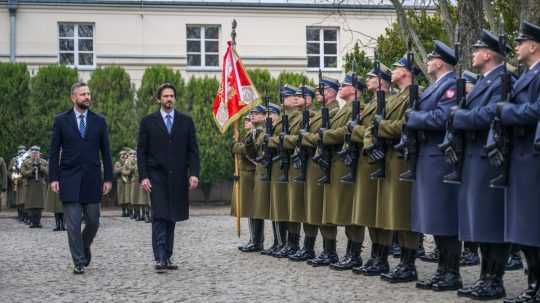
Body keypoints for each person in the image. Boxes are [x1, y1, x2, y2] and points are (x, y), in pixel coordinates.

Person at [451, 29, 513, 300]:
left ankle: (494, 280)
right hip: (474, 157)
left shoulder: (502, 80)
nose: (472, 54)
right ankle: (485, 277)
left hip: (488, 158)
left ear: (488, 54)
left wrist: (460, 117)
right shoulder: (484, 82)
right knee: (479, 221)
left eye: (476, 50)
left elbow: (492, 113)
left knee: (490, 221)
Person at [406, 41, 461, 291]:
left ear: (440, 62)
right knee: (435, 217)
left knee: (444, 216)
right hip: (427, 157)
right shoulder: (435, 86)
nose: (427, 62)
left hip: (440, 157)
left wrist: (415, 118)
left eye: (430, 58)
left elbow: (443, 117)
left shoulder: (450, 86)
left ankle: (452, 272)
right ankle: (442, 270)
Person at [494, 21, 540, 303]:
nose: (517, 47)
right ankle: (533, 284)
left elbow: (536, 110)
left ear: (534, 46)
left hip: (533, 158)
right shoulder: (526, 75)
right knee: (524, 227)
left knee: (533, 225)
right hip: (521, 158)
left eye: (521, 42)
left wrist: (508, 112)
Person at [49, 81, 113, 274]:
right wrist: (54, 178)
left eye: (88, 93)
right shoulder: (61, 121)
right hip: (69, 179)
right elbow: (54, 152)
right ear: (73, 98)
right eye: (83, 94)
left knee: (93, 222)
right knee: (73, 225)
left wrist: (108, 178)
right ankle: (78, 261)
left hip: (92, 179)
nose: (87, 97)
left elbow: (106, 152)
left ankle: (83, 247)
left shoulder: (99, 121)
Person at [136, 83, 200, 272]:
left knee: (172, 216)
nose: (169, 99)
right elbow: (141, 151)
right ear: (159, 99)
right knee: (160, 215)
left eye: (172, 96)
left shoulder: (185, 121)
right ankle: (160, 257)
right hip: (156, 176)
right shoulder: (148, 122)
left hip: (178, 177)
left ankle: (168, 255)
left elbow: (193, 151)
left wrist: (194, 173)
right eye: (165, 96)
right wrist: (144, 176)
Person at [350, 63, 393, 276]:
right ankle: (375, 256)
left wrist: (354, 129)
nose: (367, 81)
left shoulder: (385, 102)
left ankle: (381, 257)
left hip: (376, 160)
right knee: (370, 212)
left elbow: (373, 131)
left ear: (381, 81)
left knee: (379, 212)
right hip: (366, 161)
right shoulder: (371, 103)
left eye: (371, 77)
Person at [323, 75, 366, 271]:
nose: (341, 87)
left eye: (346, 85)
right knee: (344, 209)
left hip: (349, 163)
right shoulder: (344, 109)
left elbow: (345, 132)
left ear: (355, 89)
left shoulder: (359, 108)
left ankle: (354, 253)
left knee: (350, 210)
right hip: (338, 162)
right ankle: (349, 252)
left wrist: (326, 135)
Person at [233, 113, 263, 252]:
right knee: (250, 209)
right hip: (246, 174)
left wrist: (237, 146)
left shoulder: (257, 133)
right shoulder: (249, 134)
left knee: (253, 208)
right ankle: (253, 239)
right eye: (246, 120)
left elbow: (250, 152)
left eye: (249, 120)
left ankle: (256, 241)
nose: (246, 122)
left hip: (252, 173)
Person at [20, 146, 48, 228]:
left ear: (39, 153)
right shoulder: (26, 162)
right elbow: (23, 172)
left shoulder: (44, 162)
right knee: (31, 204)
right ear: (31, 153)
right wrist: (31, 171)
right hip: (30, 184)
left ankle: (38, 222)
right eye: (33, 153)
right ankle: (32, 221)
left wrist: (41, 167)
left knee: (39, 205)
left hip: (40, 184)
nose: (35, 154)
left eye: (37, 153)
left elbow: (48, 171)